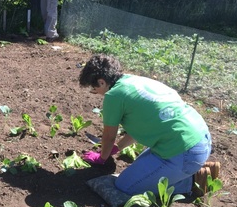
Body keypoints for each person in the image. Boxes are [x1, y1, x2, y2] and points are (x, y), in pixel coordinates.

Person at [79, 54, 219, 198]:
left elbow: (109, 136)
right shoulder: (134, 81)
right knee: (140, 168)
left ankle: (194, 181)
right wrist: (117, 148)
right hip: (200, 138)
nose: (95, 93)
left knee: (125, 186)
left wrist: (102, 158)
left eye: (94, 89)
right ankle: (196, 167)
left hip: (183, 152)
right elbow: (141, 127)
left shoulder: (113, 95)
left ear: (102, 82)